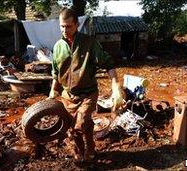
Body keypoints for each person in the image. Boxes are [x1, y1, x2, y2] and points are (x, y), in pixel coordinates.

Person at [48, 7, 123, 162]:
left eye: (69, 26)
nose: (65, 29)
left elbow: (108, 63)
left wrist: (115, 87)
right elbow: (56, 72)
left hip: (88, 93)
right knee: (75, 126)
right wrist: (53, 90)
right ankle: (84, 151)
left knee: (80, 123)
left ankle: (88, 150)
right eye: (62, 26)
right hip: (67, 95)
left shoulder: (89, 43)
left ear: (76, 25)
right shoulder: (57, 47)